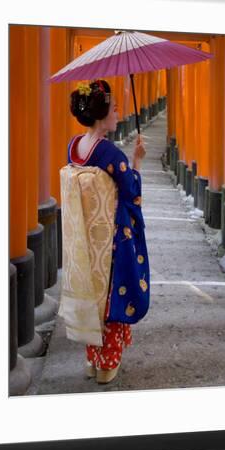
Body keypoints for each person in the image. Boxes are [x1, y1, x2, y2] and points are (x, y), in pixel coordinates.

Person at [66, 78, 150, 384]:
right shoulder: (111, 155)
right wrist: (137, 161)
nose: (118, 113)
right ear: (103, 115)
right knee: (113, 297)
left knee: (92, 295)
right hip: (112, 240)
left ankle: (92, 359)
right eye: (115, 109)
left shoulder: (74, 147)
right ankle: (108, 363)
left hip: (86, 238)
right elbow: (131, 193)